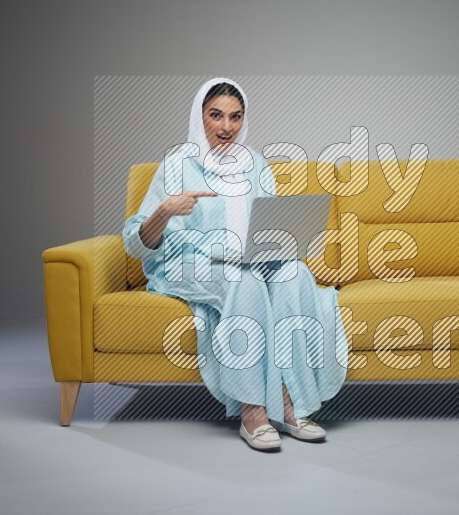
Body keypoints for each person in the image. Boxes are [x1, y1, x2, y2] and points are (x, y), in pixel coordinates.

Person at [122, 78, 348, 451]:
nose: (227, 126)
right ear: (200, 118)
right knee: (242, 283)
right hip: (188, 262)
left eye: (235, 117)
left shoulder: (255, 164)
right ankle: (254, 411)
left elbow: (270, 221)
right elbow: (135, 244)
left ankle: (292, 405)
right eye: (216, 116)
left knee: (295, 274)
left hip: (246, 260)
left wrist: (275, 243)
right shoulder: (177, 165)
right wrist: (163, 211)